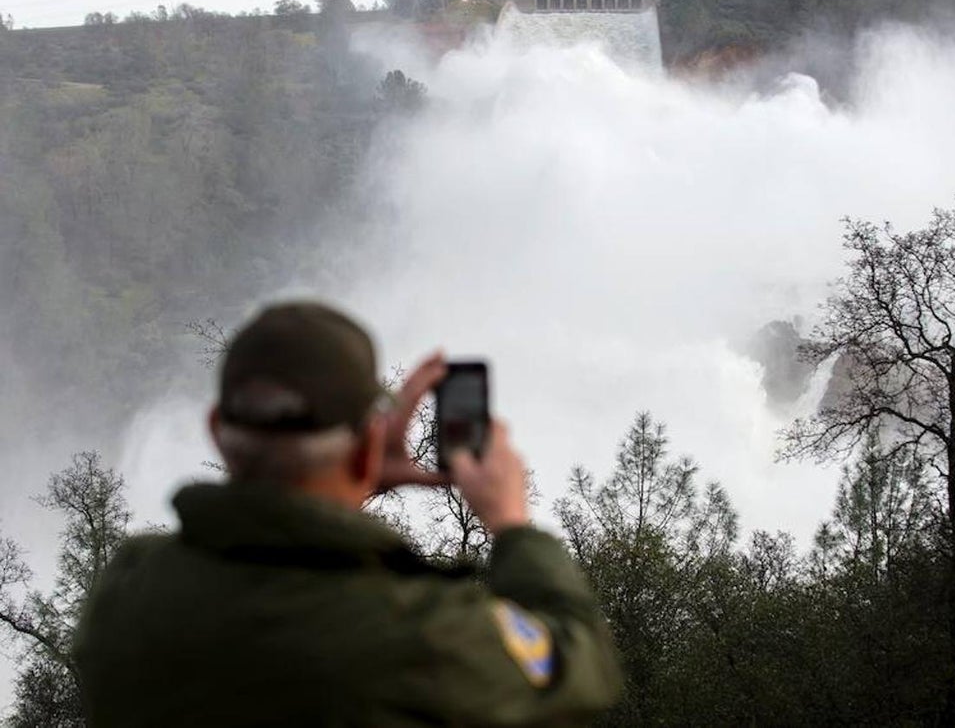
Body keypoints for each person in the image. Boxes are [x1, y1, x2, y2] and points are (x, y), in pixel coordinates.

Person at [74, 301, 623, 727]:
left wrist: (352, 482)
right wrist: (510, 523)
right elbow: (580, 666)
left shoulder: (125, 595)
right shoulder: (419, 634)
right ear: (363, 447)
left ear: (218, 430)